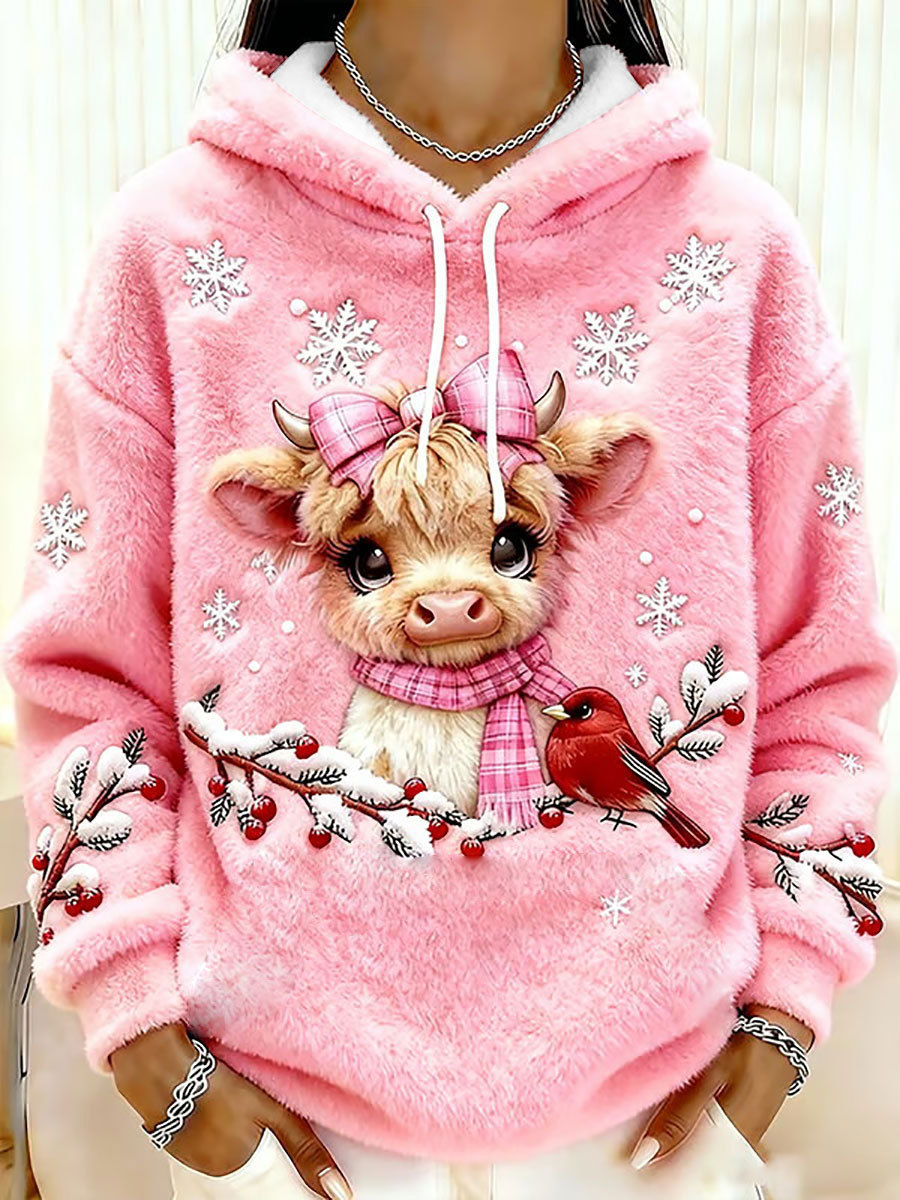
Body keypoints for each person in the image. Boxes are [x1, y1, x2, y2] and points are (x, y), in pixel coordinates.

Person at [5, 1, 895, 1197]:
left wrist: (785, 1009)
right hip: (275, 1115)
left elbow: (823, 676)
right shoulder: (171, 245)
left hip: (655, 1121)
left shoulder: (734, 252)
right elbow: (85, 675)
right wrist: (143, 1036)